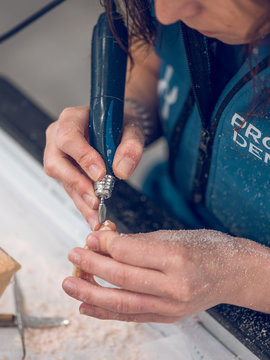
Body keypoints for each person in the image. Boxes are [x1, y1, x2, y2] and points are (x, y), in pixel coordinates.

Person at [44, 0, 270, 323]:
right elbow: (159, 62)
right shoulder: (176, 8)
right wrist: (131, 115)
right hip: (163, 213)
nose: (166, 13)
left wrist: (242, 274)